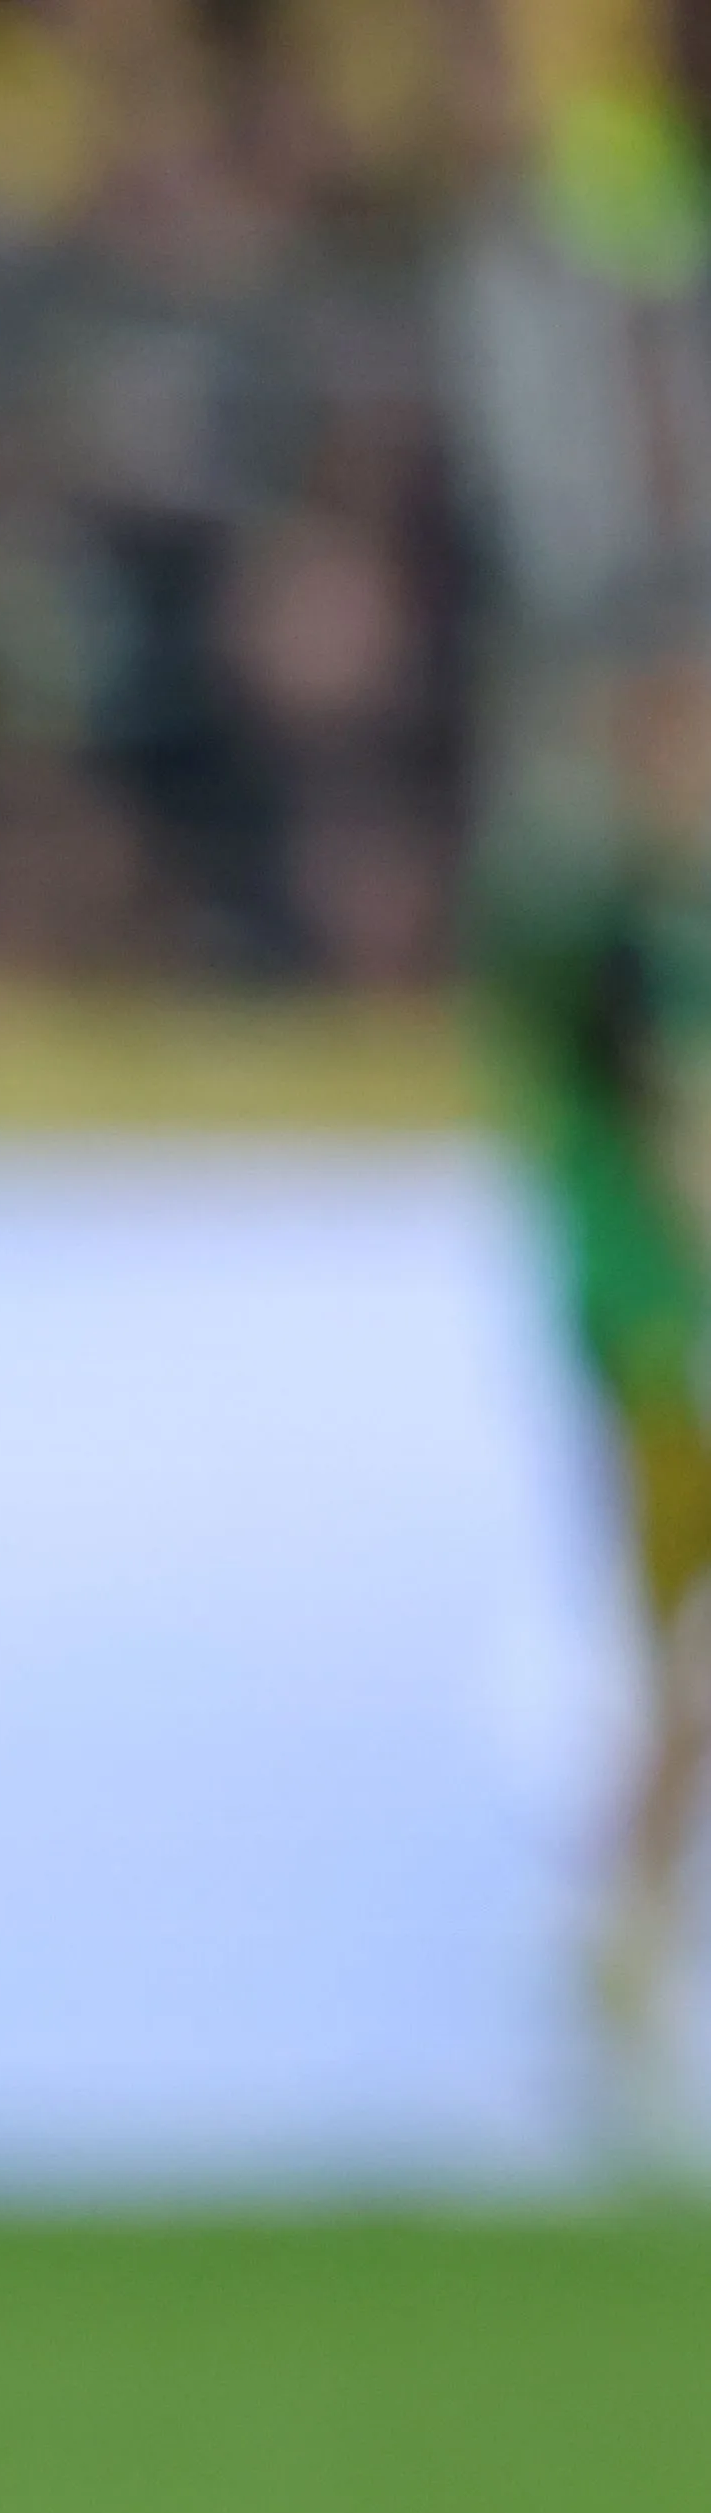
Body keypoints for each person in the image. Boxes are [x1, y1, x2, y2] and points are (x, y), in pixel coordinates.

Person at [477, 659, 711, 2138]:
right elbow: (665, 1143)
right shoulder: (601, 933)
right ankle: (613, 1950)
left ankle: (616, 1946)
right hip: (656, 1337)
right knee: (681, 1652)